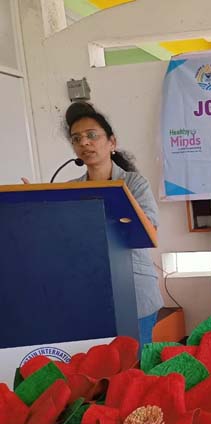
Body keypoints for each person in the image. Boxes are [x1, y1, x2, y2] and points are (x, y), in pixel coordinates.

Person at [66, 102, 164, 346]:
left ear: (112, 142)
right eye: (77, 139)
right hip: (88, 290)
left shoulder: (134, 183)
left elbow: (148, 229)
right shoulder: (69, 189)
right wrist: (35, 205)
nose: (84, 142)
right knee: (96, 362)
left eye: (91, 135)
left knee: (135, 361)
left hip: (134, 290)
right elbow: (66, 238)